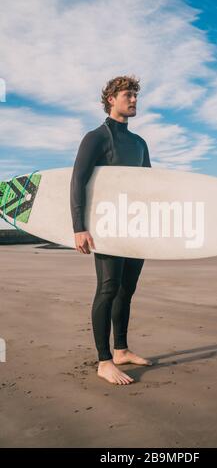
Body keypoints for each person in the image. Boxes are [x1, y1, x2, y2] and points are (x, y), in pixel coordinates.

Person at [70, 75, 153, 385]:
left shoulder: (139, 143)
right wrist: (80, 227)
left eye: (135, 96)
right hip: (107, 225)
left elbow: (148, 186)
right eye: (128, 95)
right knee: (107, 289)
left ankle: (121, 350)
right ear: (111, 99)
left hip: (135, 228)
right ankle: (104, 361)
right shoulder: (96, 138)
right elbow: (78, 181)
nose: (133, 100)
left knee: (126, 291)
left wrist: (152, 226)